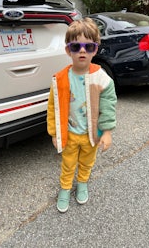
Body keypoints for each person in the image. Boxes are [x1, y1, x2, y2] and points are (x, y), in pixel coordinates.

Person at [47, 17, 117, 213]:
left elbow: (109, 105)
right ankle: (65, 188)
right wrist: (54, 132)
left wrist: (108, 131)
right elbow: (53, 107)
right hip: (69, 134)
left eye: (89, 46)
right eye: (76, 46)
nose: (83, 51)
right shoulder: (59, 79)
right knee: (68, 164)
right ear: (68, 50)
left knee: (87, 162)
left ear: (96, 49)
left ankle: (83, 183)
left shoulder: (102, 78)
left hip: (91, 135)